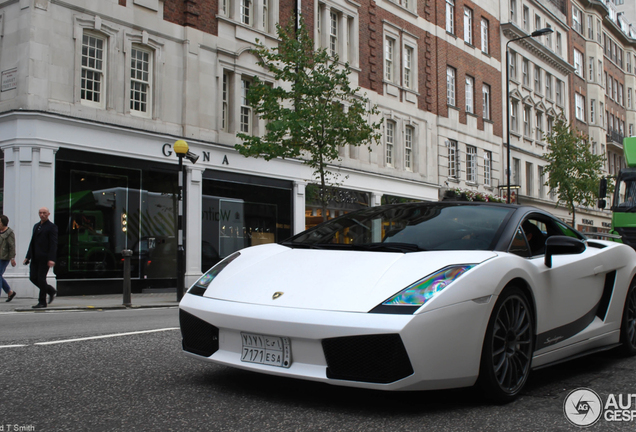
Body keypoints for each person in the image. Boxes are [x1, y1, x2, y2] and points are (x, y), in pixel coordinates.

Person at [24, 207, 58, 309]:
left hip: (44, 257)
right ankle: (50, 290)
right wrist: (28, 257)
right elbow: (32, 242)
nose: (42, 215)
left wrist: (51, 258)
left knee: (41, 278)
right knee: (33, 277)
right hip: (35, 257)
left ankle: (42, 301)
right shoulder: (36, 226)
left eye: (44, 213)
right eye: (40, 213)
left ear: (48, 214)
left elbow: (53, 244)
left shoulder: (52, 227)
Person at [0, 215, 17, 302]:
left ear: (3, 223)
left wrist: (12, 258)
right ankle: (9, 292)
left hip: (4, 257)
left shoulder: (9, 233)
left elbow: (12, 246)